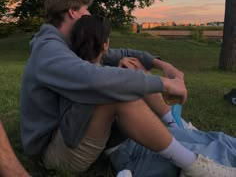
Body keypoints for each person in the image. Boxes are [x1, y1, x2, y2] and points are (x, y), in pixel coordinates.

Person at [20, 0, 236, 177]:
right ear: (73, 12)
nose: (90, 15)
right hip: (54, 151)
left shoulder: (66, 43)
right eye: (87, 10)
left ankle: (174, 125)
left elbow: (113, 53)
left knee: (127, 67)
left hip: (69, 131)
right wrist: (165, 84)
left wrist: (162, 65)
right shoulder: (49, 50)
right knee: (117, 94)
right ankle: (196, 166)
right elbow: (95, 80)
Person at [69, 15, 236, 177]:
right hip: (129, 150)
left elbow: (124, 56)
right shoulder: (105, 78)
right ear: (105, 45)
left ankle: (178, 126)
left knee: (218, 140)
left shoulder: (72, 72)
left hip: (140, 139)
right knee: (213, 153)